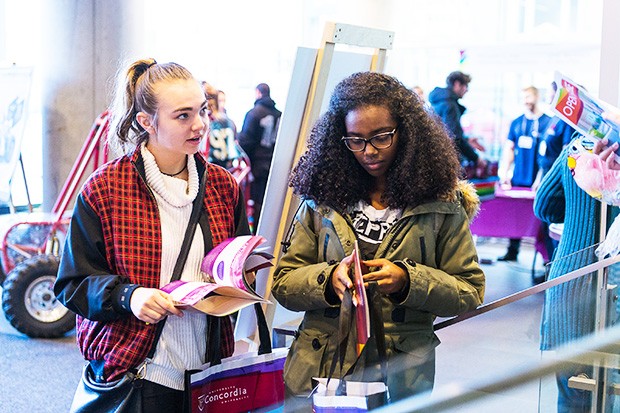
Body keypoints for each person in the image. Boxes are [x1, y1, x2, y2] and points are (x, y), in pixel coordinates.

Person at [271, 72, 485, 410]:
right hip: (322, 370)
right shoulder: (322, 200)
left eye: (381, 137)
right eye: (355, 140)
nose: (369, 151)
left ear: (407, 132)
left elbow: (469, 290)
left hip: (399, 376)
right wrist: (329, 280)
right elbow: (283, 283)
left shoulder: (442, 204)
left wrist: (407, 280)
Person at [53, 58, 250, 413]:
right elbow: (73, 284)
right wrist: (131, 296)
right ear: (146, 121)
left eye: (202, 111)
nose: (200, 125)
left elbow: (238, 264)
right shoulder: (106, 189)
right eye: (183, 115)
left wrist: (235, 282)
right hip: (140, 373)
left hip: (209, 374)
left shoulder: (223, 186)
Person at [534, 135, 616, 412]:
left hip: (571, 279)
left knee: (573, 392)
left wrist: (582, 197)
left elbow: (545, 205)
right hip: (608, 283)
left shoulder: (581, 143)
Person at [497, 86, 551, 262]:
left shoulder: (547, 123)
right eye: (523, 97)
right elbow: (509, 148)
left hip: (539, 177)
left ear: (537, 97)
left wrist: (541, 178)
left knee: (541, 216)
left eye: (528, 96)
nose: (525, 101)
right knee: (516, 213)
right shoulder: (517, 123)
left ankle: (545, 257)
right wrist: (504, 172)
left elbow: (549, 154)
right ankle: (513, 250)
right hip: (520, 176)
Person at [238, 82, 281, 230]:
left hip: (257, 165)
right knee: (271, 202)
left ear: (257, 93)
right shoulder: (279, 114)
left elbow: (245, 141)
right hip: (275, 165)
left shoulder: (254, 113)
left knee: (257, 203)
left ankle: (257, 234)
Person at [428, 71, 486, 169]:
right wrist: (476, 158)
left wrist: (467, 139)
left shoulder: (437, 102)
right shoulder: (450, 105)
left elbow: (444, 131)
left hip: (433, 156)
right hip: (444, 160)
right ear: (457, 84)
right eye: (466, 86)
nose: (467, 90)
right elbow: (455, 138)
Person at [201, 81, 239, 170]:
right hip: (224, 167)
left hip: (208, 167)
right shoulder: (228, 121)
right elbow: (232, 152)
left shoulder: (203, 122)